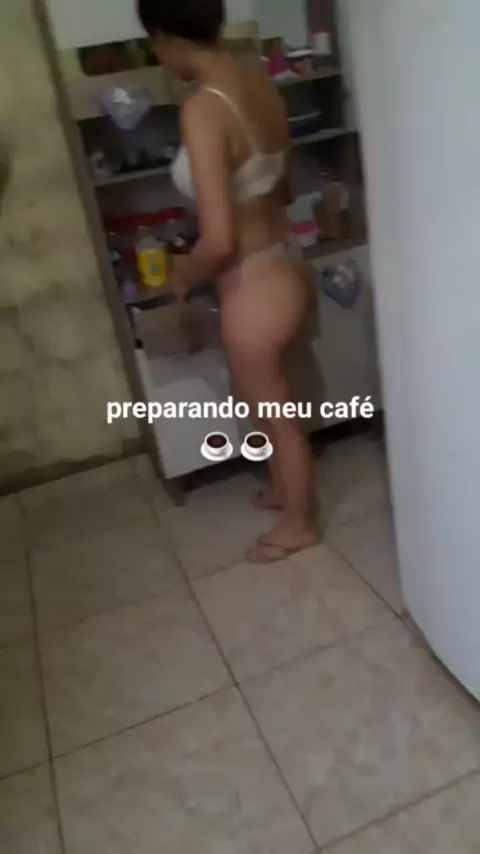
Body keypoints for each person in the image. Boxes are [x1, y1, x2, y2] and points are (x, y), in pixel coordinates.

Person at [138, 0, 317, 562]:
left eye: (154, 45)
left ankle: (298, 525)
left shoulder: (203, 109)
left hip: (251, 282)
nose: (159, 57)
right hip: (283, 262)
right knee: (264, 398)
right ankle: (283, 491)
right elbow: (285, 190)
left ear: (166, 36)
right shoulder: (260, 85)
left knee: (276, 413)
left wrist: (180, 277)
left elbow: (216, 239)